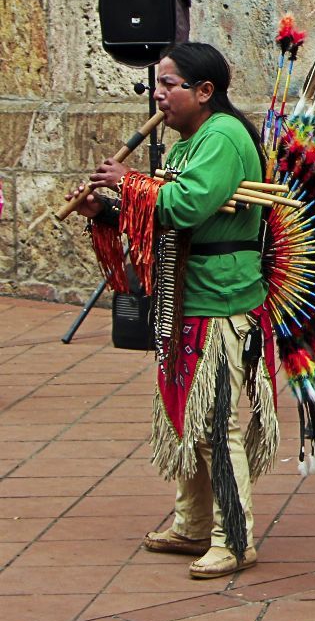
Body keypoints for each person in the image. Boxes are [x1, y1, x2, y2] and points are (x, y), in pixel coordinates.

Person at [70, 42, 279, 579]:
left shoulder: (224, 137)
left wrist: (131, 185)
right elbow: (158, 214)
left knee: (213, 422)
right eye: (155, 85)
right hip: (184, 297)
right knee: (184, 416)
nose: (158, 95)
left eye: (168, 85)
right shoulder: (188, 142)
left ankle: (234, 538)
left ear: (204, 91)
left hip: (221, 301)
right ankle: (192, 524)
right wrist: (108, 208)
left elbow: (185, 207)